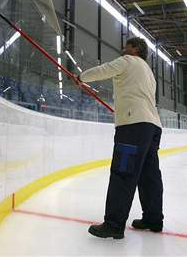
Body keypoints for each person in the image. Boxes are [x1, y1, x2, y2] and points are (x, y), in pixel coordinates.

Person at [75, 37, 164, 239]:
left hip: (132, 127)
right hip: (152, 127)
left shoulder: (127, 61)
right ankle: (153, 218)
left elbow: (103, 70)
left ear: (135, 50)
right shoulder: (148, 73)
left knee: (123, 173)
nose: (123, 49)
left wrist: (81, 76)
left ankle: (114, 224)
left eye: (128, 46)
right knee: (149, 174)